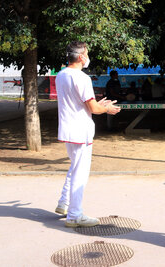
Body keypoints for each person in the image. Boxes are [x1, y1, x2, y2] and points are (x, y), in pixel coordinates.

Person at [54, 41, 121, 227]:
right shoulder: (81, 78)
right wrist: (106, 108)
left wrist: (101, 105)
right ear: (82, 57)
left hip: (69, 129)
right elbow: (93, 107)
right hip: (80, 130)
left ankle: (64, 203)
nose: (88, 57)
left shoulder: (61, 75)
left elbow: (82, 103)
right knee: (80, 172)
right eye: (87, 53)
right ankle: (75, 215)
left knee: (75, 166)